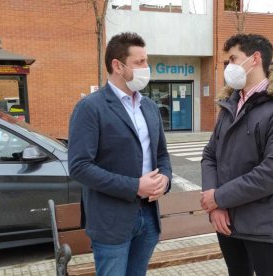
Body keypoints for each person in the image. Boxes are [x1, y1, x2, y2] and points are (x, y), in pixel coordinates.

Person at [200, 33, 273, 276]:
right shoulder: (229, 105)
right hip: (226, 220)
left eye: (234, 59)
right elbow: (210, 155)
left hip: (263, 224)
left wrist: (219, 198)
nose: (229, 67)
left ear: (255, 58)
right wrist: (215, 206)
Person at [68, 32, 172, 276]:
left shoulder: (149, 106)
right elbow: (80, 166)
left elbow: (162, 156)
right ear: (117, 65)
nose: (146, 68)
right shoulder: (90, 108)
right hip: (111, 221)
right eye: (139, 62)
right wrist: (135, 186)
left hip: (148, 217)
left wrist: (165, 181)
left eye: (146, 61)